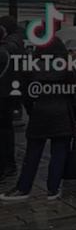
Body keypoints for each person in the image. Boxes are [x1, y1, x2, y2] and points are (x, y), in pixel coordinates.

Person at [0, 37, 76, 201]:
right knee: (59, 153)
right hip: (62, 114)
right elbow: (75, 95)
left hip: (40, 112)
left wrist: (33, 110)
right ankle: (53, 189)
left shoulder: (31, 67)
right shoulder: (68, 68)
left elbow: (26, 94)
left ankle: (23, 188)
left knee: (32, 153)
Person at [0, 16, 23, 183]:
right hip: (10, 92)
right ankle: (9, 164)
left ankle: (6, 165)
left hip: (3, 93)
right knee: (6, 130)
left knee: (4, 131)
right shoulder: (17, 45)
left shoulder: (5, 48)